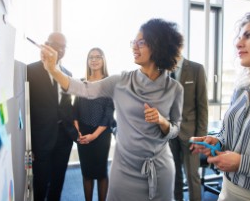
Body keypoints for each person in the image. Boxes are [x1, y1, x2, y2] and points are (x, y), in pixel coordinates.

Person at [41, 18, 184, 201]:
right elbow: (83, 89)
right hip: (124, 170)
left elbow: (175, 130)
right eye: (134, 42)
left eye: (141, 43)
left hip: (160, 170)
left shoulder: (175, 89)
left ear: (158, 46)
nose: (134, 47)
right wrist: (53, 70)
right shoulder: (120, 82)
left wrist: (162, 121)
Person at [190, 11, 250, 201]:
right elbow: (228, 134)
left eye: (248, 35)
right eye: (239, 36)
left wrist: (242, 164)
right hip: (227, 190)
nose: (238, 43)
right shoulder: (241, 90)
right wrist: (217, 142)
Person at [27, 32, 77, 201]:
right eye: (56, 44)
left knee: (58, 182)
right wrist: (30, 143)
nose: (60, 49)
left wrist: (74, 129)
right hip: (42, 138)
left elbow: (67, 104)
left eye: (64, 47)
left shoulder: (67, 73)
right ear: (46, 44)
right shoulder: (30, 70)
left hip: (64, 137)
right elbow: (28, 108)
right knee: (41, 183)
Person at [73, 47, 115, 201]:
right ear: (87, 61)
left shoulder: (109, 83)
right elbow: (75, 110)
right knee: (87, 172)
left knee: (101, 173)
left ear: (103, 60)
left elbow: (109, 113)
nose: (94, 60)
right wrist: (78, 132)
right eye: (91, 57)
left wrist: (94, 135)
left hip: (102, 133)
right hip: (83, 133)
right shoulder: (81, 83)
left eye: (98, 57)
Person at [169, 55, 208, 201]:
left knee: (193, 176)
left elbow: (203, 107)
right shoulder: (161, 69)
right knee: (174, 175)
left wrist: (201, 138)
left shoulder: (196, 69)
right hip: (169, 133)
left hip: (191, 134)